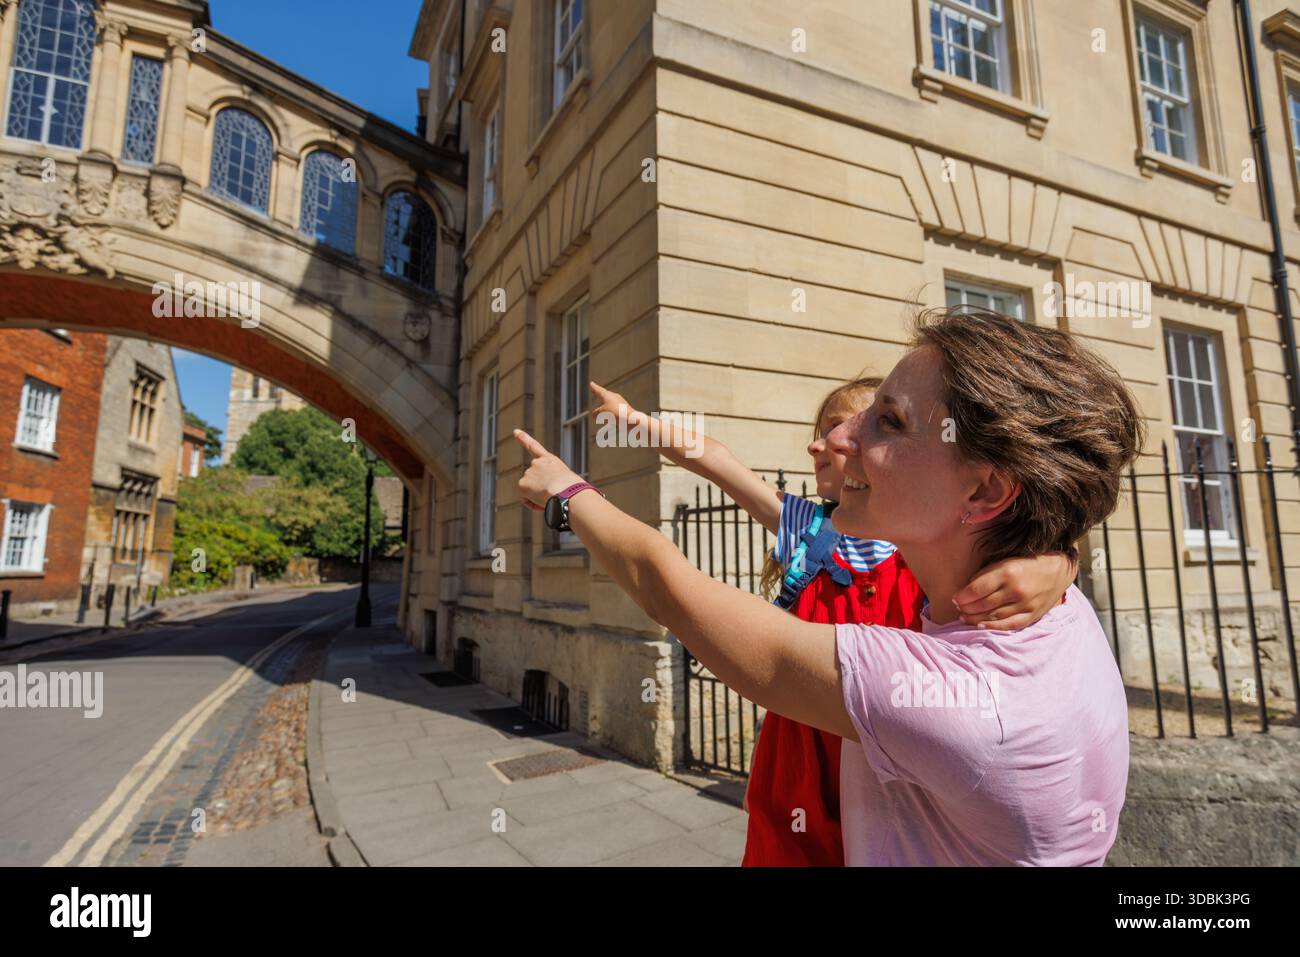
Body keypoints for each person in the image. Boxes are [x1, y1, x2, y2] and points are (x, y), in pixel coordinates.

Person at [516, 308, 1142, 865]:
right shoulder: (1058, 617)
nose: (834, 443)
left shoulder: (947, 696)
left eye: (888, 422)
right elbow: (717, 463)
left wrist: (568, 494)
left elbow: (666, 584)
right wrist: (1059, 560)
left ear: (982, 492)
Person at [588, 378, 1075, 866]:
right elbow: (714, 459)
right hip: (801, 757)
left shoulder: (928, 543)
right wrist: (636, 423)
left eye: (838, 428)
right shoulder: (810, 527)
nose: (816, 444)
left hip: (894, 765)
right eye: (820, 431)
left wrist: (1059, 566)